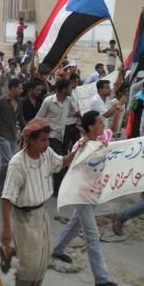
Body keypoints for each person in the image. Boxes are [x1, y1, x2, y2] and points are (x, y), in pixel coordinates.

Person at [0, 118, 77, 286]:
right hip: (23, 219)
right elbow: (6, 199)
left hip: (41, 214)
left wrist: (80, 151)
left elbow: (61, 162)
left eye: (48, 139)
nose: (47, 143)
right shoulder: (17, 164)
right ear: (31, 141)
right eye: (43, 140)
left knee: (41, 263)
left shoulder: (47, 153)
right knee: (28, 266)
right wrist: (6, 230)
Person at [51, 111, 117, 286]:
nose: (102, 125)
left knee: (75, 224)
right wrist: (85, 148)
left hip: (94, 191)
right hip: (82, 194)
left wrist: (116, 113)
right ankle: (101, 279)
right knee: (92, 235)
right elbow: (74, 164)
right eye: (99, 123)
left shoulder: (104, 137)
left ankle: (57, 250)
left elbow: (114, 133)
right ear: (90, 127)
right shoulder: (81, 145)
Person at [36, 79, 79, 195]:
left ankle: (55, 185)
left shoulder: (69, 100)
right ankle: (57, 190)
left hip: (63, 135)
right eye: (69, 88)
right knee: (60, 160)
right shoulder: (48, 101)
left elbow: (75, 112)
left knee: (62, 161)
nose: (71, 90)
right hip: (51, 136)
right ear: (63, 89)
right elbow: (39, 117)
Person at [0, 79, 25, 195]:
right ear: (12, 88)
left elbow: (20, 117)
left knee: (11, 163)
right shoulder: (1, 101)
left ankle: (6, 186)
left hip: (13, 135)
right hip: (2, 134)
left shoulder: (19, 102)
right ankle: (0, 187)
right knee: (7, 161)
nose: (21, 90)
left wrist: (27, 129)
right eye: (19, 88)